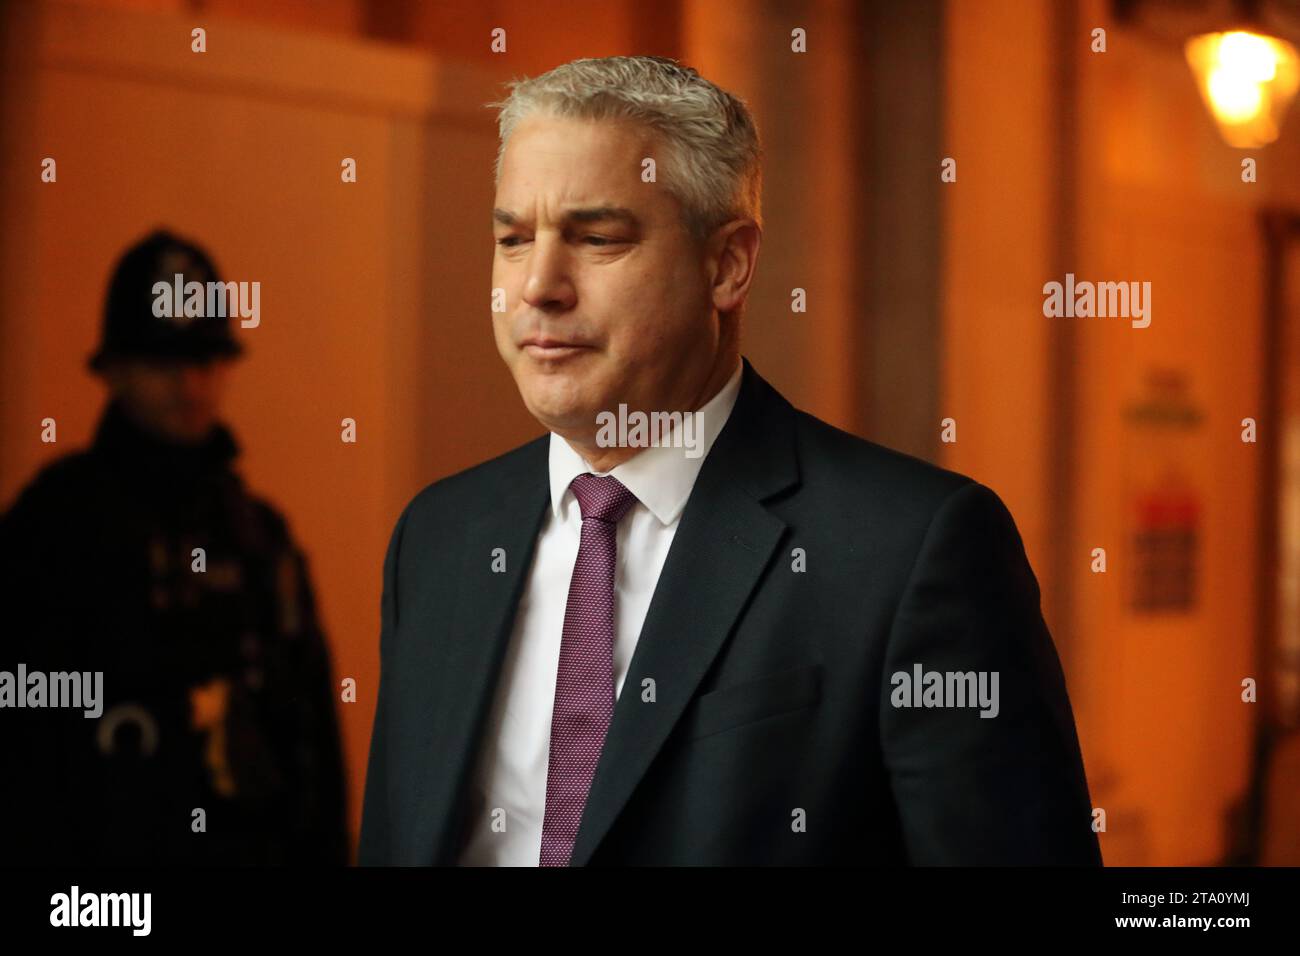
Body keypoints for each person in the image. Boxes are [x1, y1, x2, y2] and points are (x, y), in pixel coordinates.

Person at [358, 56, 1102, 866]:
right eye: (512, 239)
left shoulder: (909, 550)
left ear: (727, 266)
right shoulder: (438, 537)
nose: (538, 285)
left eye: (597, 238)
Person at [0, 230, 348, 865]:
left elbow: (311, 743)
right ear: (114, 370)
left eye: (208, 362)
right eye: (166, 364)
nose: (190, 387)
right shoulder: (55, 524)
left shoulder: (260, 538)